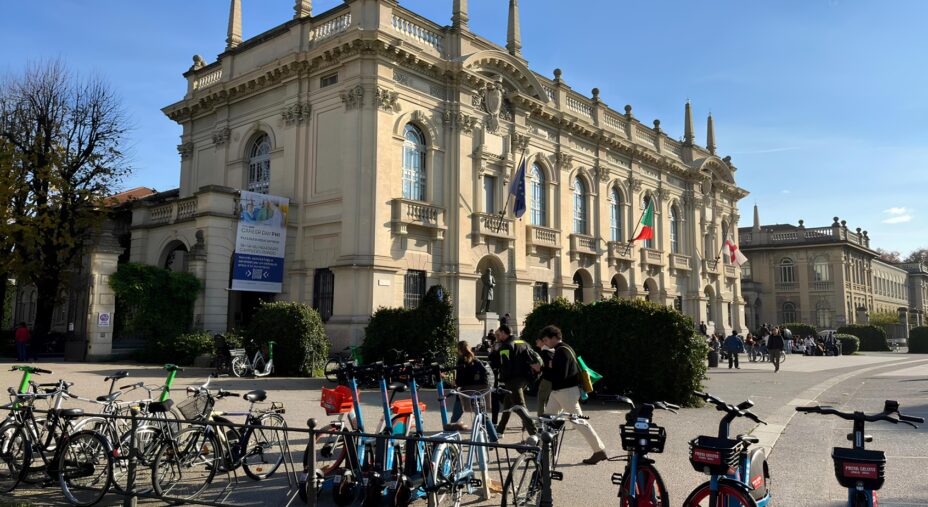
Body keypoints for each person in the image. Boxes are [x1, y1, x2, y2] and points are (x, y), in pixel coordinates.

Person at [535, 325, 607, 465]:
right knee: (547, 420)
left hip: (565, 391)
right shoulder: (565, 349)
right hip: (560, 392)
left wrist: (542, 369)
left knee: (579, 421)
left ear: (555, 338)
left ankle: (599, 450)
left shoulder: (561, 352)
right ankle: (538, 447)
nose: (545, 343)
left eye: (546, 339)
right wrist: (547, 367)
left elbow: (559, 375)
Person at [448, 341, 499, 440]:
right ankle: (494, 438)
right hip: (479, 391)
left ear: (459, 350)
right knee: (483, 416)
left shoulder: (461, 362)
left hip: (465, 393)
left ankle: (449, 438)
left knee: (455, 417)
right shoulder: (476, 360)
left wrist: (454, 383)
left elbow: (459, 381)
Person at [491, 325, 536, 434]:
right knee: (507, 405)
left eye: (499, 334)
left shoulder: (506, 346)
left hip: (512, 380)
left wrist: (503, 379)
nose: (498, 336)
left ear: (503, 332)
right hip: (524, 378)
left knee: (519, 407)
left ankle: (534, 432)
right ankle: (500, 430)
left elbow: (504, 364)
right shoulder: (523, 343)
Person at [534, 336, 554, 417]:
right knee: (549, 400)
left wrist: (539, 368)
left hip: (547, 379)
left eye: (538, 340)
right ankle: (550, 418)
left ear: (543, 342)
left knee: (541, 399)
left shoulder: (545, 352)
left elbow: (550, 367)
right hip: (553, 379)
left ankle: (541, 419)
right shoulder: (552, 351)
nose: (536, 341)